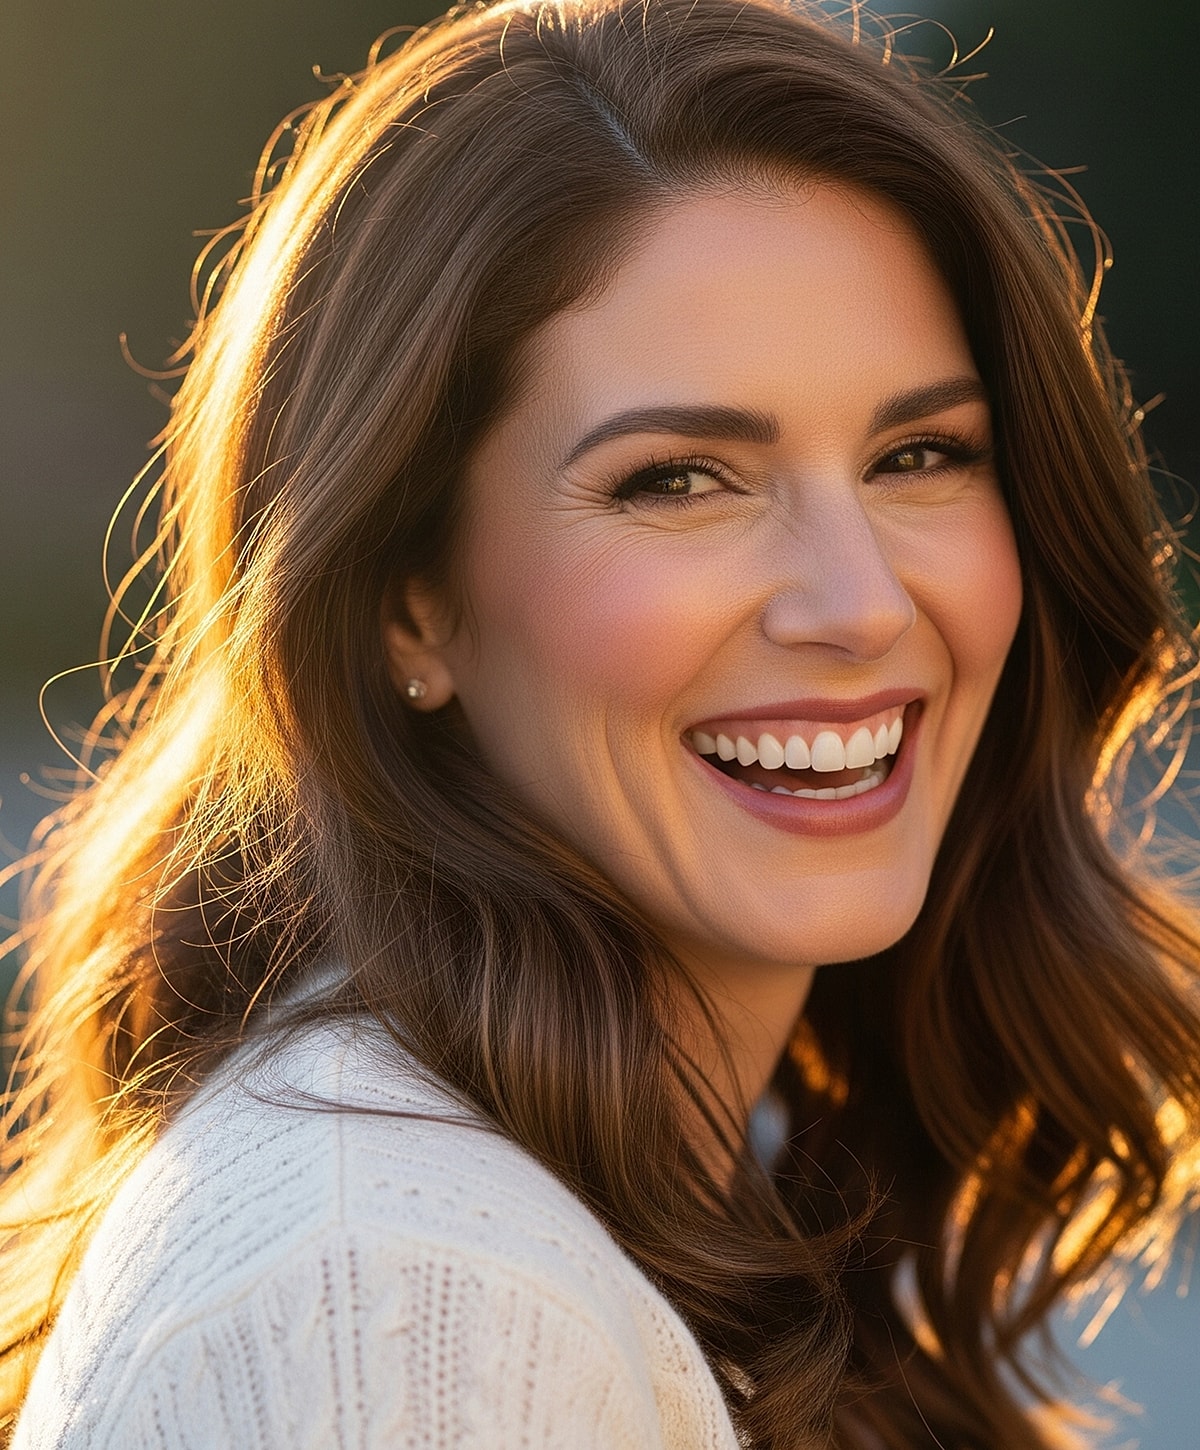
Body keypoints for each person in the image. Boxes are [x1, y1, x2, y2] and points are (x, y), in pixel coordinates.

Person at [2, 0, 1198, 1444]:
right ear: (407, 600)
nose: (862, 602)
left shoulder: (650, 1183)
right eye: (679, 479)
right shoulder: (402, 1299)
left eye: (920, 453)